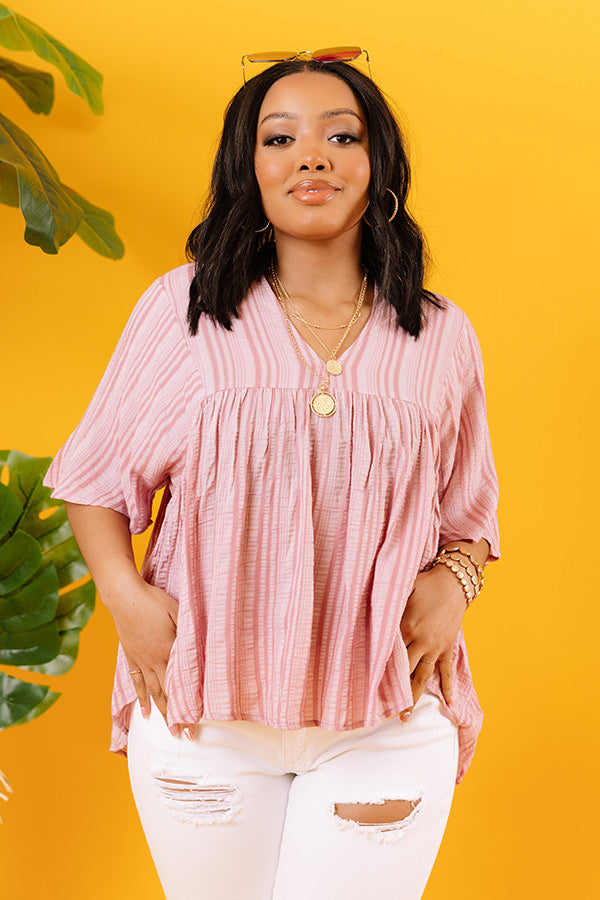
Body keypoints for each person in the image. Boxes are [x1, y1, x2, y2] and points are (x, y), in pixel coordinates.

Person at [44, 51, 499, 900]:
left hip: (387, 713)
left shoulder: (439, 333)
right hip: (205, 710)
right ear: (246, 170)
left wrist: (455, 583)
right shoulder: (184, 311)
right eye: (280, 138)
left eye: (341, 136)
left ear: (379, 165)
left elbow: (468, 513)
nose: (311, 156)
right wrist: (126, 598)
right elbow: (96, 475)